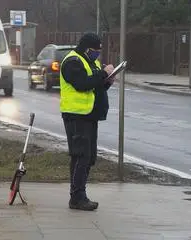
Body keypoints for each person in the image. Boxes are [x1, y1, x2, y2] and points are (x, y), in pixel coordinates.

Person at [59, 32, 115, 211]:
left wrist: (108, 80)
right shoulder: (72, 61)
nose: (97, 53)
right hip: (76, 116)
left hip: (89, 115)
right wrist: (102, 75)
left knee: (88, 157)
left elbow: (95, 85)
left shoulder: (91, 61)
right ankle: (76, 197)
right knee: (80, 155)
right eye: (95, 50)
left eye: (99, 50)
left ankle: (80, 194)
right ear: (86, 48)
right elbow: (82, 84)